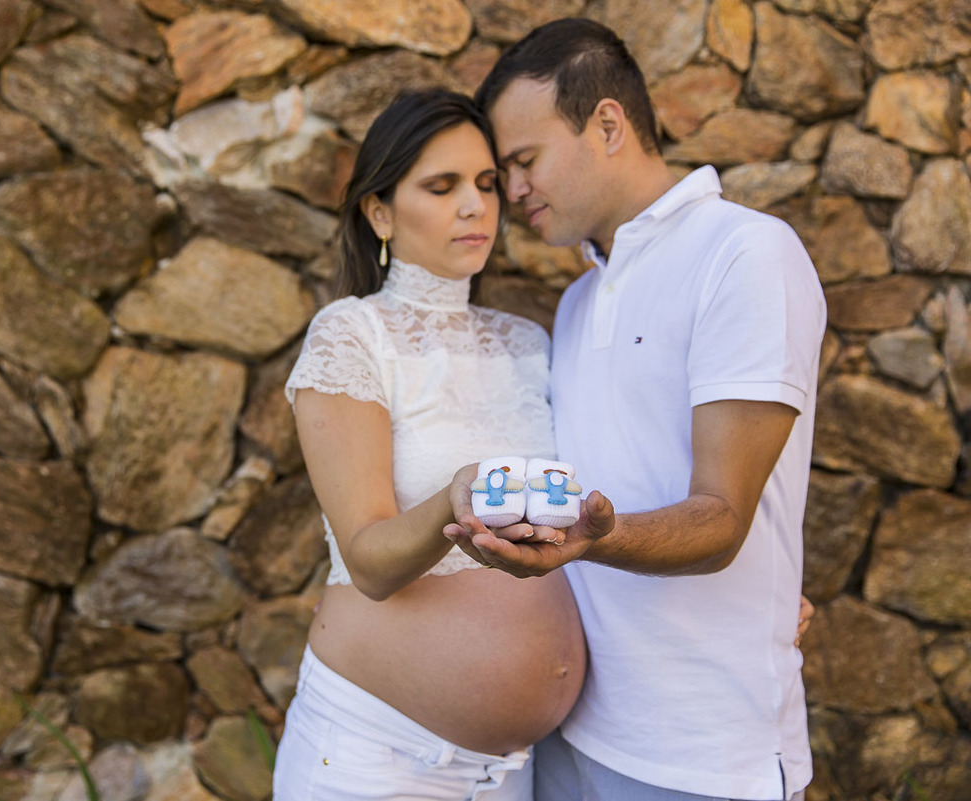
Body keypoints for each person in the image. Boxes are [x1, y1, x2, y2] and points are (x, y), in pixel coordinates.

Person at [444, 17, 827, 801]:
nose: (511, 193)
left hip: (701, 754)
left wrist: (592, 539)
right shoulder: (580, 299)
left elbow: (722, 517)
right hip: (573, 732)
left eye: (524, 161)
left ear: (608, 124)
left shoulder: (745, 253)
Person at [272, 88, 615, 800]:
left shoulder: (529, 343)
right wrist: (453, 502)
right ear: (379, 212)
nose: (476, 205)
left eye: (488, 184)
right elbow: (368, 561)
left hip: (511, 771)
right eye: (443, 185)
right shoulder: (353, 335)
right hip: (379, 760)